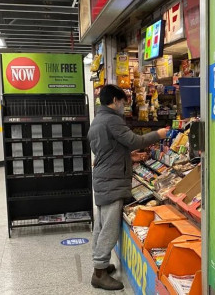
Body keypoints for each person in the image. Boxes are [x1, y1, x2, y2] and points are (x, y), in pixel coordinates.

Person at [88, 85, 167, 290]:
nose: (123, 106)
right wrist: (158, 134)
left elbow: (106, 150)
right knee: (109, 229)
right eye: (123, 102)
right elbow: (134, 140)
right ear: (115, 100)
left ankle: (101, 266)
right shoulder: (112, 119)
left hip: (104, 178)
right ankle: (99, 274)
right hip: (112, 180)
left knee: (101, 225)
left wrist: (127, 157)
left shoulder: (97, 120)